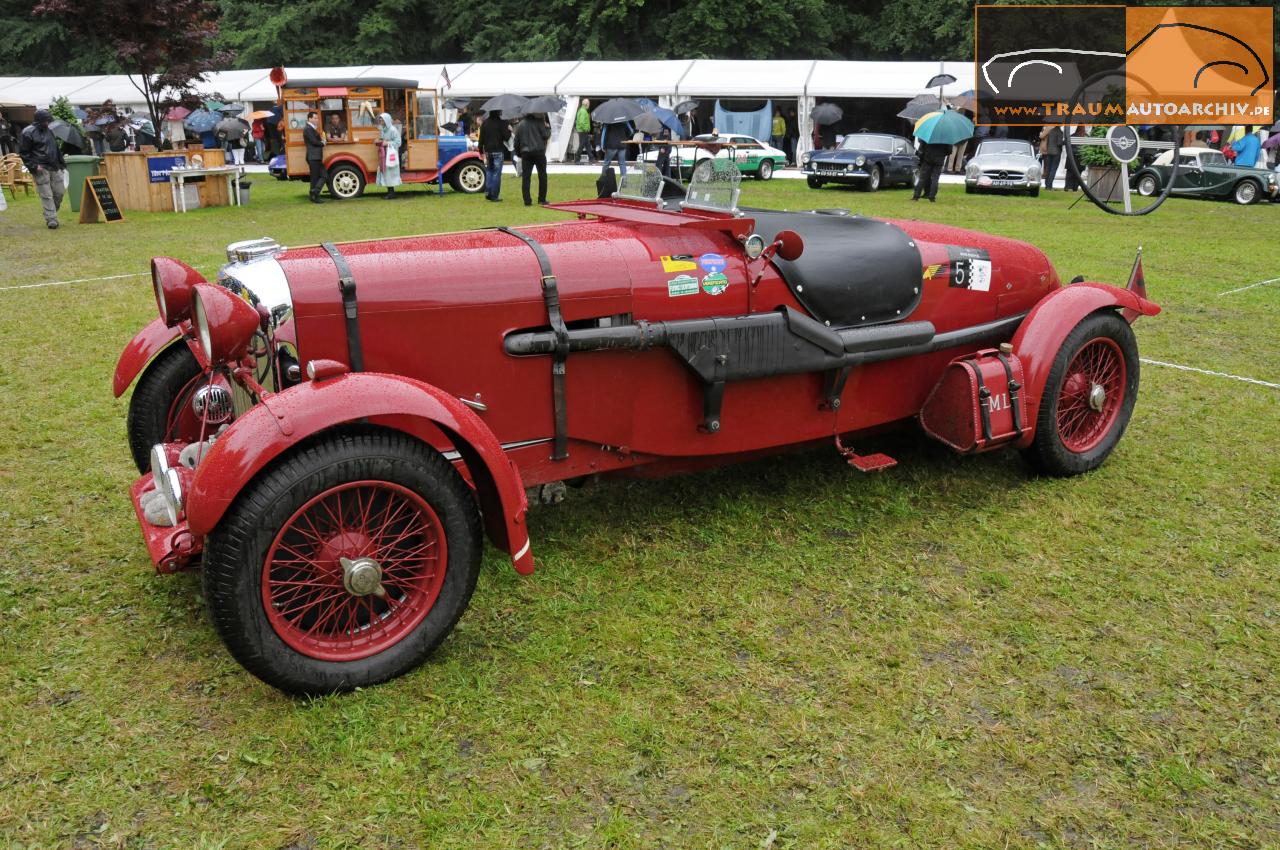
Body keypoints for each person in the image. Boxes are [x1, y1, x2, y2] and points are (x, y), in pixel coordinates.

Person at [18, 109, 67, 229]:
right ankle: (51, 219)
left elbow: (55, 148)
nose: (48, 123)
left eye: (48, 120)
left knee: (59, 192)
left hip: (54, 166)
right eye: (46, 120)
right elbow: (24, 153)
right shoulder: (27, 132)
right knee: (47, 194)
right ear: (39, 120)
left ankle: (50, 213)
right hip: (41, 168)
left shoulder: (49, 131)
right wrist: (34, 166)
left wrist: (61, 163)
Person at [515, 111, 550, 206]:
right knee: (542, 176)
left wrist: (519, 153)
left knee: (526, 177)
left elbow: (516, 141)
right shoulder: (539, 122)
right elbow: (546, 136)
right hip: (539, 151)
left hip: (526, 153)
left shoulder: (520, 125)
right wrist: (547, 127)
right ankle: (542, 199)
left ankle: (527, 201)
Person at [479, 109, 509, 201]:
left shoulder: (485, 123)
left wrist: (480, 150)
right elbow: (506, 137)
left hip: (488, 151)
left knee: (489, 171)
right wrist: (509, 130)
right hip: (498, 150)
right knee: (497, 173)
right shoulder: (502, 123)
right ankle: (494, 195)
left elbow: (481, 138)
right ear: (498, 112)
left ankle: (488, 192)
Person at [375, 112, 402, 198]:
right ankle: (390, 192)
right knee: (386, 172)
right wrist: (378, 140)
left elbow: (398, 142)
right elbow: (383, 139)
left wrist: (388, 143)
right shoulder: (383, 129)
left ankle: (392, 193)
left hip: (391, 155)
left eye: (381, 119)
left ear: (386, 120)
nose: (380, 121)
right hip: (384, 154)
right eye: (380, 119)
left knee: (390, 172)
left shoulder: (393, 130)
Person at [303, 111, 326, 203]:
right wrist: (322, 143)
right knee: (323, 175)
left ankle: (313, 195)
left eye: (317, 118)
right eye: (315, 118)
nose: (317, 120)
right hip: (313, 156)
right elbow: (313, 141)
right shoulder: (308, 129)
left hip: (314, 156)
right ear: (309, 119)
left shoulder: (311, 128)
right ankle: (315, 192)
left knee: (315, 177)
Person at [1040, 123, 1064, 190]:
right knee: (1053, 169)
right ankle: (1049, 186)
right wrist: (1064, 142)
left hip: (1049, 152)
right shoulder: (1060, 132)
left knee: (1048, 169)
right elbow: (1059, 143)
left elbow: (1048, 142)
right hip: (1056, 153)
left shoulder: (1051, 131)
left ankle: (1047, 185)